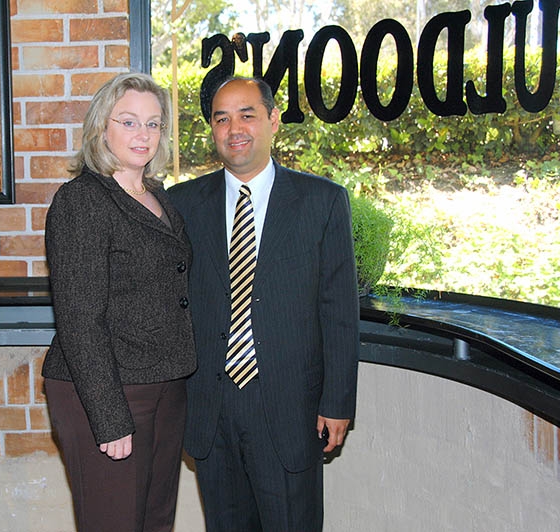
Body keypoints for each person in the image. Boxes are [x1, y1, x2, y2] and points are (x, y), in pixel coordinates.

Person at [167, 76, 359, 531]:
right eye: (221, 119)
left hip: (290, 409)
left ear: (273, 120)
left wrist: (338, 401)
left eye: (247, 115)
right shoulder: (182, 204)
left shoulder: (322, 202)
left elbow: (338, 312)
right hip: (211, 405)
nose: (234, 128)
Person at [42, 72, 196, 532]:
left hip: (164, 385)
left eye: (153, 123)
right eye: (128, 122)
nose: (142, 134)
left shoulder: (157, 195)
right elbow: (79, 321)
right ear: (101, 127)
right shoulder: (82, 201)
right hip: (106, 390)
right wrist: (108, 418)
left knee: (155, 521)